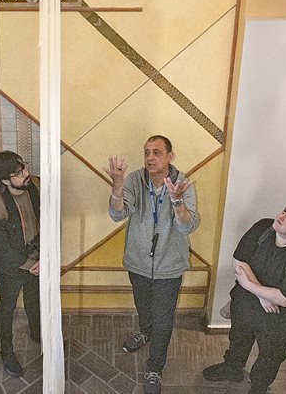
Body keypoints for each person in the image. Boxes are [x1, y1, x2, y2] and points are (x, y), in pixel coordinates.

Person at [106, 135, 198, 394]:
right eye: (147, 152)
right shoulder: (134, 179)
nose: (150, 157)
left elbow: (187, 225)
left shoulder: (182, 183)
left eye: (157, 152)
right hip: (138, 264)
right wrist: (117, 187)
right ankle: (144, 333)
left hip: (170, 267)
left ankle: (155, 368)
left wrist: (177, 201)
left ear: (170, 156)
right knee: (144, 308)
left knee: (163, 321)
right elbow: (117, 214)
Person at [202, 201, 286, 394]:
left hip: (279, 319)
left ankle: (258, 387)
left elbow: (285, 298)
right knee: (239, 339)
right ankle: (232, 368)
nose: (282, 216)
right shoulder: (263, 228)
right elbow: (239, 260)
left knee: (269, 357)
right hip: (247, 305)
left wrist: (249, 285)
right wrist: (263, 296)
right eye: (284, 210)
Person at [0, 151, 41, 377]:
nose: (26, 173)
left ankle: (37, 333)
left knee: (34, 299)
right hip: (12, 266)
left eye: (24, 167)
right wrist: (29, 264)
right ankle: (7, 351)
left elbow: (50, 221)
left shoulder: (35, 186)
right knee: (7, 307)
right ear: (5, 180)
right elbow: (0, 247)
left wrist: (43, 258)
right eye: (19, 173)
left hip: (38, 260)